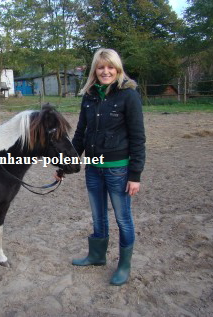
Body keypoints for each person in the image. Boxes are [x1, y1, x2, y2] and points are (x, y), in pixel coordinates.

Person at [71, 48, 146, 286]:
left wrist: (135, 175)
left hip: (118, 169)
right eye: (101, 67)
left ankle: (124, 265)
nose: (106, 71)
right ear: (95, 69)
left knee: (123, 219)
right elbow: (81, 133)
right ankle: (97, 255)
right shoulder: (89, 96)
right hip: (93, 167)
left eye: (110, 67)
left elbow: (138, 137)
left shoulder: (128, 95)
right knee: (98, 216)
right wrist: (67, 163)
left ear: (118, 69)